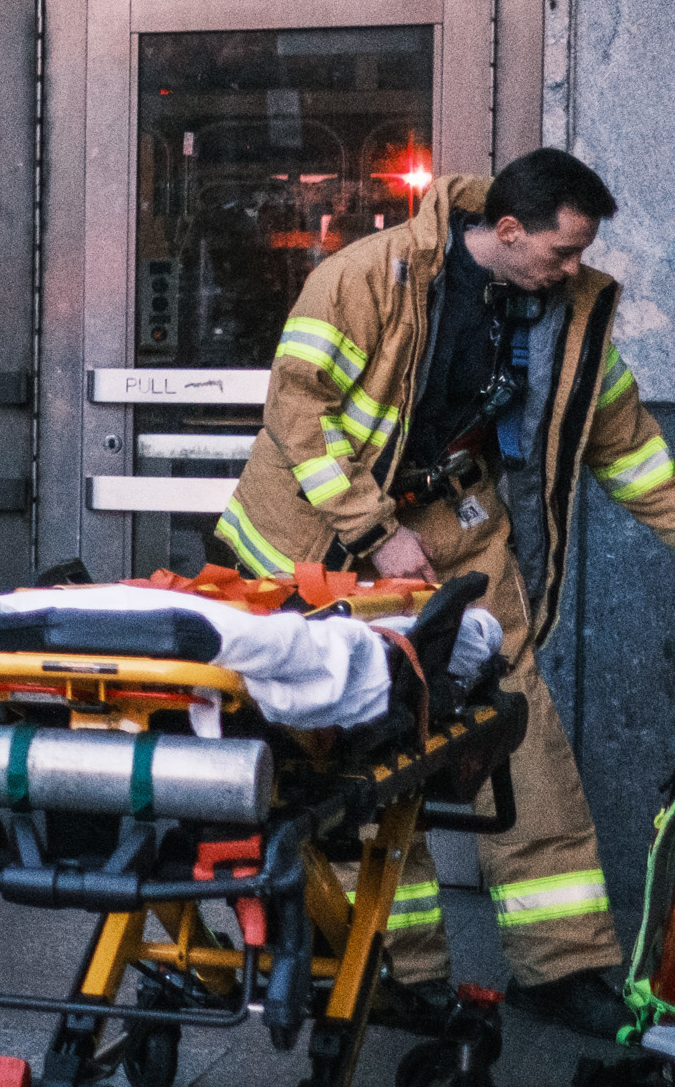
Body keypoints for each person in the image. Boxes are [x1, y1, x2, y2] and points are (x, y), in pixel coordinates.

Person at [214, 149, 675, 1038]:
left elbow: (627, 446)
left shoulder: (567, 312)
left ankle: (565, 963)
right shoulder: (365, 278)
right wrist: (374, 532)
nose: (575, 269)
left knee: (519, 729)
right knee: (357, 745)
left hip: (457, 525)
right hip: (321, 547)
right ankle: (390, 967)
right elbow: (298, 415)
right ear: (508, 231)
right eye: (562, 251)